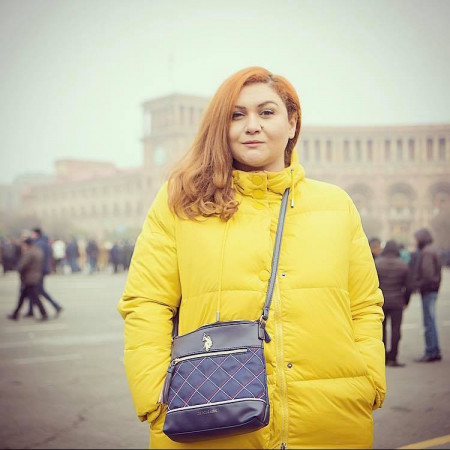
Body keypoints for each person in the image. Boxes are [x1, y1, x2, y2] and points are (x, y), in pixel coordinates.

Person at [118, 67, 386, 449]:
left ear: (292, 123)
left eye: (266, 112)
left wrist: (368, 380)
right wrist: (156, 397)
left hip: (331, 422)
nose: (252, 126)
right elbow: (146, 303)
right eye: (237, 115)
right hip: (212, 422)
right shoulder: (182, 203)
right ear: (221, 128)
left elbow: (364, 304)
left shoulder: (336, 205)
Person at [375, 240, 409, 367]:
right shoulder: (403, 265)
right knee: (396, 329)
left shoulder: (377, 263)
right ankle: (393, 358)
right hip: (397, 302)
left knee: (381, 330)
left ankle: (383, 357)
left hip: (381, 302)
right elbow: (409, 286)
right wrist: (405, 301)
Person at [413, 228, 442, 362]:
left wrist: (417, 284)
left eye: (416, 239)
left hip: (428, 290)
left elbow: (427, 275)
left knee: (429, 322)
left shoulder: (426, 253)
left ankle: (431, 351)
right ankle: (434, 350)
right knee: (431, 320)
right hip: (432, 290)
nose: (415, 242)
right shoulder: (432, 250)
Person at [7, 237, 48, 321]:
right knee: (23, 297)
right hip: (35, 276)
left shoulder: (29, 253)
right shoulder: (38, 251)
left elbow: (22, 265)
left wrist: (19, 270)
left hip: (29, 278)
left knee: (34, 297)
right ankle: (15, 313)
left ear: (26, 244)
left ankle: (44, 313)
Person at [26, 228, 63, 317]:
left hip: (38, 271)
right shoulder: (45, 243)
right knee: (33, 290)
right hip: (42, 270)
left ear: (36, 234)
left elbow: (37, 258)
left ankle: (55, 306)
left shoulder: (39, 244)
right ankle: (31, 310)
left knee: (38, 289)